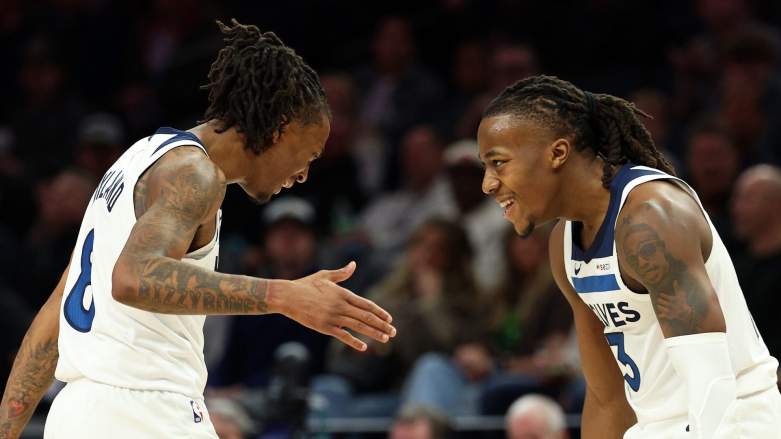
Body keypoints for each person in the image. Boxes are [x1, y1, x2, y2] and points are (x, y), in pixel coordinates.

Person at [0, 19, 396, 439]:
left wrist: (7, 428)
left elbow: (55, 314)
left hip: (77, 414)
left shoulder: (135, 160)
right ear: (282, 127)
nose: (303, 175)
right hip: (145, 411)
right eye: (310, 154)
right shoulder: (194, 174)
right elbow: (133, 278)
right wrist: (284, 294)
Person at [477, 75, 780, 438]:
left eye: (498, 162)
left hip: (734, 422)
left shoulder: (651, 219)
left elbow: (712, 383)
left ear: (558, 152)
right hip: (657, 427)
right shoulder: (564, 244)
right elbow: (608, 398)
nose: (488, 183)